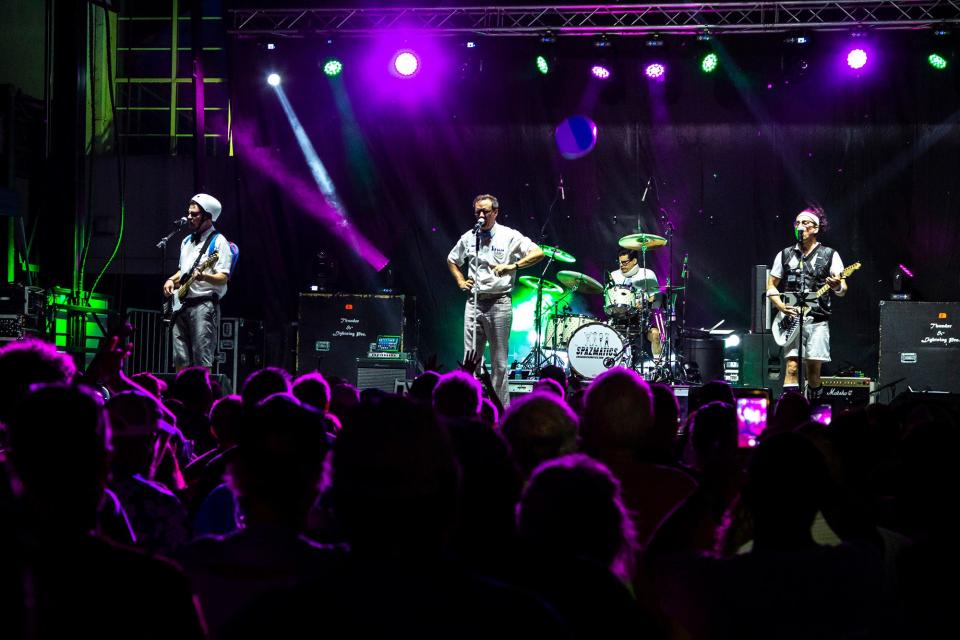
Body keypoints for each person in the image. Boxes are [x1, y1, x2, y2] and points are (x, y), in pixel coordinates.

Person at [447, 194, 543, 407]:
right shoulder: (469, 237)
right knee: (471, 360)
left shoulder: (509, 235)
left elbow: (538, 252)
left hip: (499, 303)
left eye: (485, 211)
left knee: (499, 362)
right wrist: (461, 280)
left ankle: (500, 410)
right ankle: (470, 406)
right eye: (477, 212)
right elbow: (452, 260)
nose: (481, 215)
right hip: (474, 302)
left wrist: (513, 266)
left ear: (495, 212)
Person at [767, 205, 848, 400]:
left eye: (805, 223)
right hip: (792, 318)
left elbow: (843, 290)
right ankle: (789, 411)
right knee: (792, 366)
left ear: (816, 228)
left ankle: (813, 413)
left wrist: (836, 285)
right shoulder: (785, 254)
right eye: (797, 223)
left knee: (813, 371)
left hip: (817, 320)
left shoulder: (830, 255)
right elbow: (771, 285)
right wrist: (780, 305)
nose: (800, 226)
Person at [163, 193, 233, 371]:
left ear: (208, 217)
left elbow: (223, 277)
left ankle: (202, 395)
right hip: (182, 304)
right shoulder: (186, 241)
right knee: (180, 358)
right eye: (189, 213)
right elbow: (184, 272)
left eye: (195, 214)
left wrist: (205, 276)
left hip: (204, 305)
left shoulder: (219, 242)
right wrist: (171, 280)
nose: (189, 217)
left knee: (202, 358)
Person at [609, 248, 662, 358]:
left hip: (641, 319)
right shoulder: (614, 275)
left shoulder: (647, 274)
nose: (621, 265)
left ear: (634, 261)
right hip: (619, 319)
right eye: (619, 262)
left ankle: (658, 367)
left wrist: (644, 304)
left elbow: (654, 298)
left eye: (625, 262)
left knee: (655, 335)